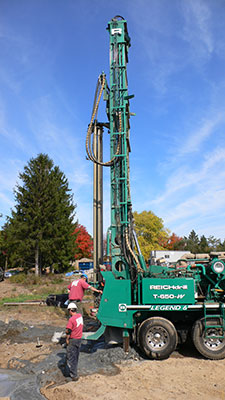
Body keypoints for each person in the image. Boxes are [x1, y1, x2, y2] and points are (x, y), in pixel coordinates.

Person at [66, 302, 83, 381]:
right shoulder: (79, 316)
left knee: (71, 357)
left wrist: (67, 339)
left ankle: (74, 375)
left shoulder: (71, 320)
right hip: (79, 339)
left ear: (70, 310)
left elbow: (68, 331)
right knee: (76, 356)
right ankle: (75, 371)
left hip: (73, 339)